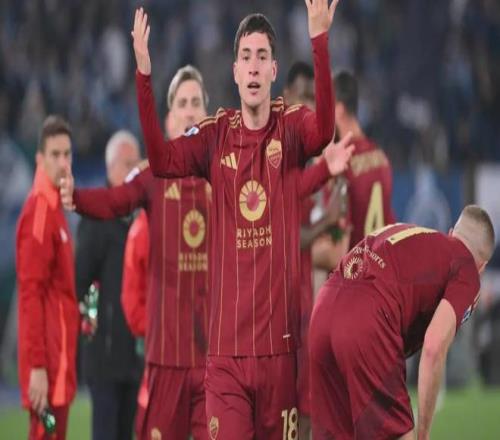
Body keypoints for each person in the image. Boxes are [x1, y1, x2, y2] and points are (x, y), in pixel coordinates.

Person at [130, 2, 353, 438]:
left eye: (262, 57)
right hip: (226, 360)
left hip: (280, 356)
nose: (253, 66)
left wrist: (319, 39)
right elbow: (160, 159)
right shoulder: (214, 136)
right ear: (235, 72)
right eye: (246, 57)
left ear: (273, 71)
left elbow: (324, 130)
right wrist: (143, 75)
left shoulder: (291, 128)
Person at [61, 65, 213, 440]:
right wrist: (76, 198)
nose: (190, 111)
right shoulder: (151, 177)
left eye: (196, 103)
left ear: (207, 114)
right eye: (182, 104)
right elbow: (115, 201)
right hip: (165, 360)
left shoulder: (225, 175)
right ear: (169, 119)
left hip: (214, 361)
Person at [309, 205, 495, 439]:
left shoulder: (416, 236)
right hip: (366, 320)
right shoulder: (467, 269)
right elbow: (434, 346)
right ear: (482, 267)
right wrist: (423, 433)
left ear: (451, 232)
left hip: (324, 307)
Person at [75, 130, 142, 440]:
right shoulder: (96, 217)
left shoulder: (140, 216)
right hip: (105, 360)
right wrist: (95, 334)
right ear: (110, 168)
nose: (134, 171)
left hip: (134, 358)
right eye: (127, 164)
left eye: (137, 164)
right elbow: (80, 283)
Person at [16, 115, 79, 439]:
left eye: (67, 154)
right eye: (55, 154)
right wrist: (38, 367)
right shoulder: (40, 212)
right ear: (40, 159)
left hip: (59, 361)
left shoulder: (54, 207)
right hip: (49, 368)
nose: (63, 162)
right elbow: (31, 295)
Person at [313, 70, 396, 272]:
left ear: (339, 110)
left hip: (351, 281)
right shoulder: (381, 158)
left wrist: (288, 254)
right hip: (378, 277)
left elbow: (336, 254)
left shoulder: (340, 165)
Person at [121, 208, 149, 437]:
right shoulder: (141, 229)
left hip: (191, 341)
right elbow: (130, 300)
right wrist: (155, 328)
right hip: (154, 344)